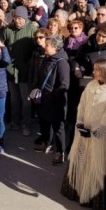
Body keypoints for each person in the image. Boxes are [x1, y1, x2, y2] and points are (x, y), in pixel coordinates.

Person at [61, 58, 106, 210]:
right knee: (81, 160)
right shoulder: (90, 85)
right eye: (94, 69)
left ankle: (94, 199)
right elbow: (82, 105)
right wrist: (80, 123)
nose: (94, 72)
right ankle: (77, 191)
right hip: (85, 132)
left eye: (97, 70)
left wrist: (95, 132)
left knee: (96, 165)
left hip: (100, 137)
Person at [30, 35, 70, 166]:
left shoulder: (62, 62)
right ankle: (46, 143)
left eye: (47, 45)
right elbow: (40, 76)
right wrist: (35, 88)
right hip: (44, 100)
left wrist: (52, 96)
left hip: (56, 101)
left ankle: (60, 153)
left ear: (55, 47)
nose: (44, 46)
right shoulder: (47, 59)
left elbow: (64, 85)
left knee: (58, 128)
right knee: (44, 123)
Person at [3, 5, 37, 136]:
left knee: (26, 100)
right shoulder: (8, 30)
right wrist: (7, 65)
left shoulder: (32, 29)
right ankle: (15, 122)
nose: (17, 21)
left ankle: (26, 124)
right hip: (11, 70)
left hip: (25, 71)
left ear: (25, 18)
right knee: (14, 99)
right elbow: (3, 48)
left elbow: (35, 49)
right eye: (16, 18)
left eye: (20, 18)